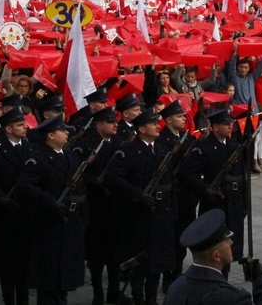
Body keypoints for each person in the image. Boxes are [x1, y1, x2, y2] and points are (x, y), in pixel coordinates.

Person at [105, 107, 176, 305]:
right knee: (140, 261)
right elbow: (113, 177)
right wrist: (137, 195)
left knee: (158, 261)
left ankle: (151, 298)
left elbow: (171, 183)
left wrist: (172, 210)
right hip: (138, 214)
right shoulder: (128, 151)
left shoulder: (162, 149)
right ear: (142, 129)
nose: (157, 126)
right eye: (153, 124)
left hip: (161, 211)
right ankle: (138, 298)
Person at [16, 115, 86, 305]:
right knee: (48, 280)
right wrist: (51, 202)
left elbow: (80, 187)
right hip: (48, 224)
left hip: (70, 223)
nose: (66, 134)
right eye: (63, 131)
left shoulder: (70, 156)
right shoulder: (38, 157)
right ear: (51, 135)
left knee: (64, 278)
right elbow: (26, 187)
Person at [179, 109, 246, 278]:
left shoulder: (234, 145)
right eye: (225, 124)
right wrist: (204, 190)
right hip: (215, 203)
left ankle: (225, 279)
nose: (230, 126)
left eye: (230, 123)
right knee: (215, 247)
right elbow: (188, 174)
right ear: (215, 127)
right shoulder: (204, 147)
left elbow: (241, 177)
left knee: (230, 246)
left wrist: (244, 204)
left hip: (234, 202)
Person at [164, 209, 262, 305]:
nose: (231, 243)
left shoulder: (176, 288)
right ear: (216, 256)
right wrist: (260, 279)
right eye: (227, 240)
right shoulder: (232, 298)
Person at [72, 106, 122, 304]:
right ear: (99, 125)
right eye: (111, 122)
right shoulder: (85, 145)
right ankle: (98, 293)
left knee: (115, 251)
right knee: (96, 253)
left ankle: (114, 291)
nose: (115, 125)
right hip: (95, 205)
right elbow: (78, 174)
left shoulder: (120, 144)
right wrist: (96, 182)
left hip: (115, 205)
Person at [0, 107, 32, 305]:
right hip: (3, 212)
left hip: (24, 210)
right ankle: (9, 299)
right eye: (20, 125)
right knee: (8, 262)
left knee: (24, 262)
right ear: (8, 129)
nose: (24, 128)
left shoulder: (28, 146)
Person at [156, 101, 198, 293]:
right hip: (171, 197)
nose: (183, 119)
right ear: (169, 119)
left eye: (183, 116)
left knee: (183, 238)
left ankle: (178, 272)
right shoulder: (161, 140)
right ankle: (167, 276)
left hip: (186, 197)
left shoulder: (186, 138)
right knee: (169, 239)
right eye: (180, 116)